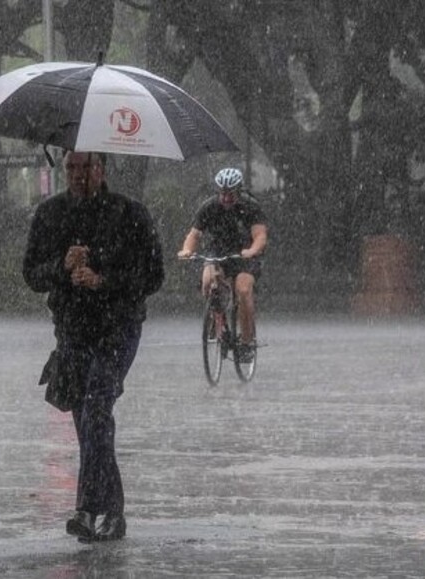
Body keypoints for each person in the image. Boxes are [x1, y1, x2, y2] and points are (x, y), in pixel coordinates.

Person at [23, 150, 165, 543]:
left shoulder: (129, 213)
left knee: (97, 409)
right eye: (71, 167)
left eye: (86, 167)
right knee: (88, 421)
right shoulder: (51, 214)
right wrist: (62, 268)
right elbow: (32, 273)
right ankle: (112, 513)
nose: (78, 175)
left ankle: (86, 509)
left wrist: (104, 280)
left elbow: (153, 275)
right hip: (71, 332)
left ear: (102, 168)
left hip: (117, 330)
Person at [176, 167, 268, 360]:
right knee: (208, 280)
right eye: (223, 194)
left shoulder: (250, 206)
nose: (226, 198)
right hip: (218, 251)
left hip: (245, 254)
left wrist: (251, 250)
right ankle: (216, 318)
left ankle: (246, 342)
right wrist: (187, 250)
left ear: (239, 191)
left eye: (231, 194)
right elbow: (194, 235)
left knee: (243, 289)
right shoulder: (209, 207)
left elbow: (260, 236)